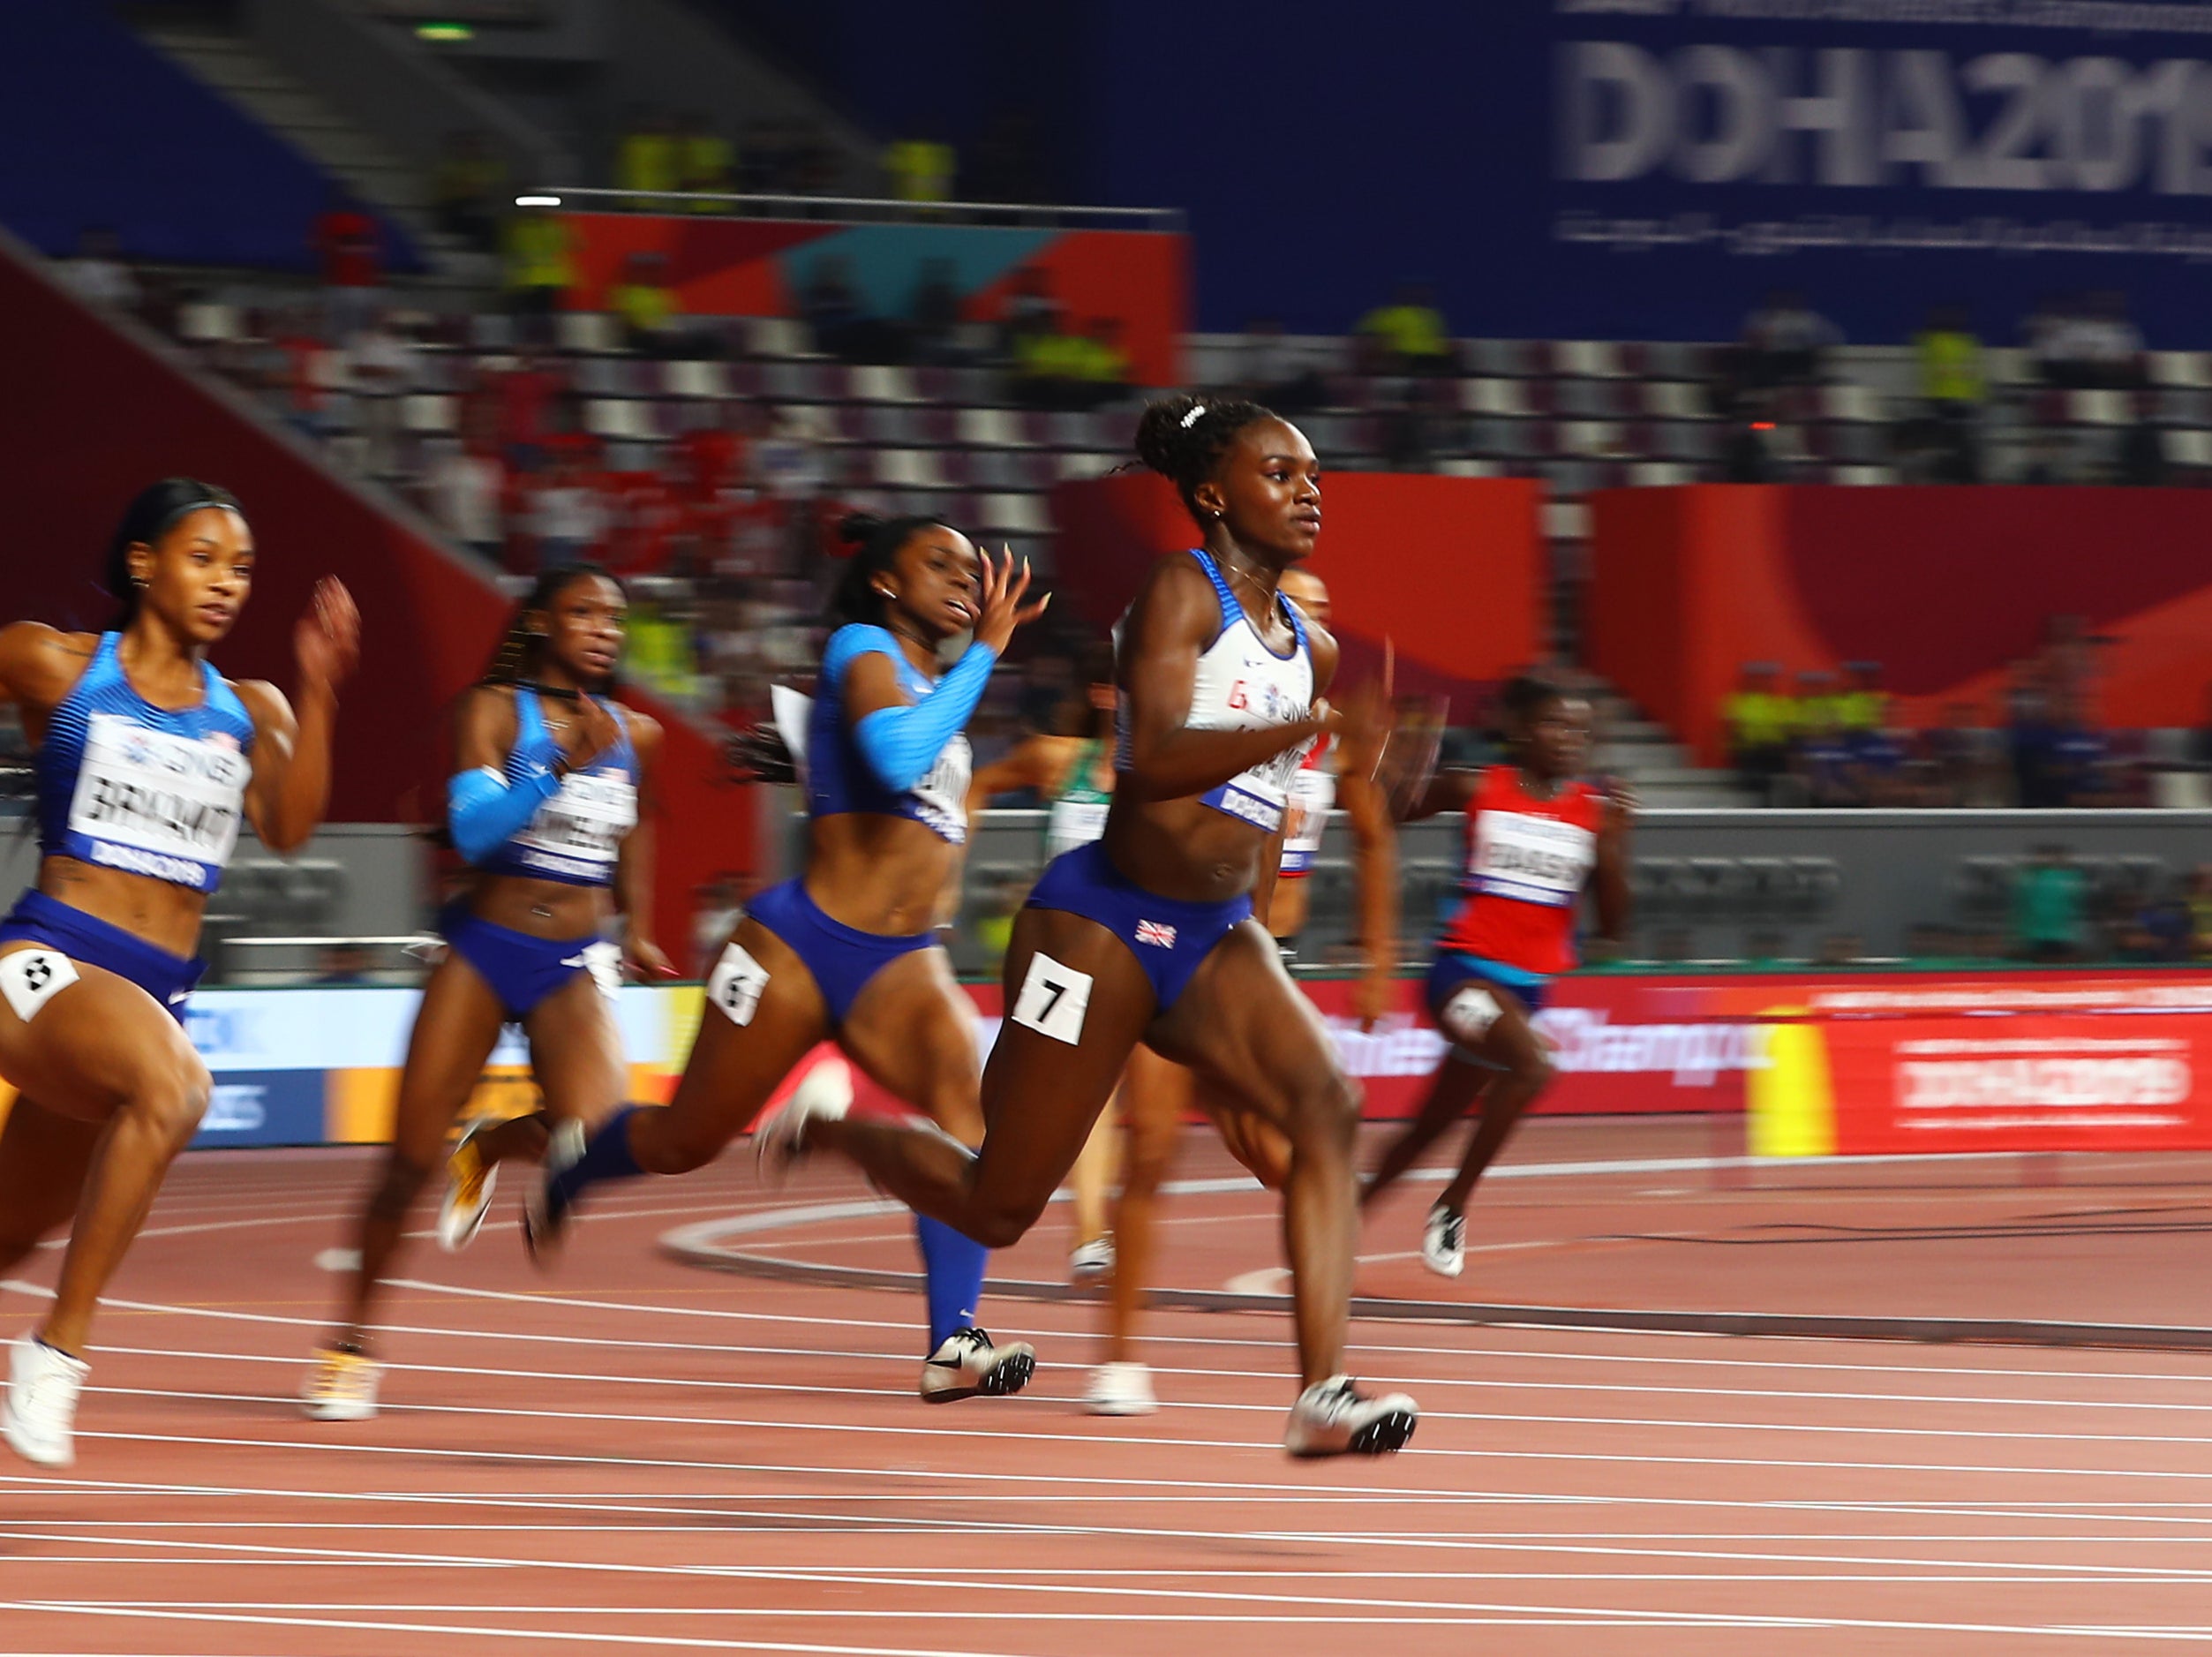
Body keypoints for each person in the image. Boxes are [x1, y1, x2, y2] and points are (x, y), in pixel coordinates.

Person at [758, 394, 1420, 1457]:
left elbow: (1264, 812)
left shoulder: (1318, 650)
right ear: (1213, 493)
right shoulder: (1178, 591)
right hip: (1100, 926)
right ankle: (827, 1129)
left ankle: (1321, 1389)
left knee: (1327, 1105)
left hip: (1213, 932)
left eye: (1315, 477)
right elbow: (1151, 760)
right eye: (1281, 473)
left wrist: (1387, 784)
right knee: (999, 1203)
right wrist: (1296, 727)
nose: (1308, 492)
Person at [525, 516, 1050, 1404]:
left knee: (974, 1132)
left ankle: (952, 1337)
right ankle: (576, 1162)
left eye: (972, 568)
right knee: (684, 1139)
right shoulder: (862, 644)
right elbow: (894, 756)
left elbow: (899, 772)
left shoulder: (925, 680)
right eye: (941, 564)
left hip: (902, 961)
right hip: (797, 947)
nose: (965, 581)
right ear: (886, 582)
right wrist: (986, 653)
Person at [0, 478, 360, 1465]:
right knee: (176, 1088)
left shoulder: (251, 710)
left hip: (149, 995)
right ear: (143, 563)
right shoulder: (57, 664)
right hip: (43, 963)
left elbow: (287, 830)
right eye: (203, 557)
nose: (226, 583)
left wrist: (320, 687)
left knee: (11, 1229)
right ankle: (56, 1354)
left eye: (242, 566)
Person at [303, 563, 664, 1420]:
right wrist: (550, 771)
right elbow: (472, 830)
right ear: (541, 623)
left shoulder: (634, 731)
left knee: (593, 1134)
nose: (605, 630)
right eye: (584, 613)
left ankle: (496, 1144)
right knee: (404, 1164)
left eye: (616, 619)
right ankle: (348, 1343)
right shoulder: (494, 711)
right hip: (484, 946)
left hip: (572, 957)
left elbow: (642, 823)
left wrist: (639, 922)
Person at [1087, 565, 1398, 1418]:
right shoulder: (1213, 707)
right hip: (1170, 939)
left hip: (1257, 954)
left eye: (1326, 607)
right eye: (1301, 602)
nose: (1313, 618)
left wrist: (1378, 954)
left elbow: (1371, 839)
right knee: (1150, 1146)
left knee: (1284, 1154)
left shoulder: (1325, 737)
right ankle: (1117, 1354)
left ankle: (1323, 1370)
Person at [1360, 675, 1631, 1280]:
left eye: (1580, 731)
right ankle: (1453, 1206)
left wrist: (1617, 848)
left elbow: (1613, 924)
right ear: (1520, 731)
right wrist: (1397, 757)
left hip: (1523, 992)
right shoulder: (1478, 783)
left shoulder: (1594, 811)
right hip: (1459, 978)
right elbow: (1385, 811)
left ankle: (1337, 1222)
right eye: (1556, 725)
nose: (1570, 739)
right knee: (1534, 1065)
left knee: (1427, 1129)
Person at [962, 644, 1121, 1280]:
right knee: (1024, 1087)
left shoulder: (1163, 775)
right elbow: (980, 783)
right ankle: (988, 1187)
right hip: (1056, 952)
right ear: (1106, 695)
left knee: (1107, 1089)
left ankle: (1090, 1233)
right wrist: (948, 872)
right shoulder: (1061, 760)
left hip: (1133, 952)